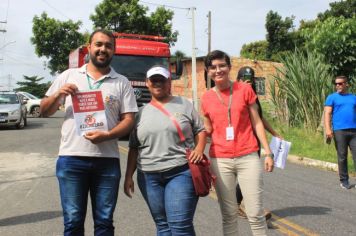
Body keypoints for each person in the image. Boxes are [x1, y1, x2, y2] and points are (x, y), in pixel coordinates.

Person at [40, 29, 138, 235]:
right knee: (73, 221)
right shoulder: (68, 76)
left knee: (104, 222)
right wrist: (58, 93)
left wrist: (108, 135)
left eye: (108, 46)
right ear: (90, 47)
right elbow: (44, 111)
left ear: (114, 50)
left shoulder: (122, 82)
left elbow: (129, 120)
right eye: (99, 44)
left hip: (107, 161)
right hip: (71, 159)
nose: (103, 49)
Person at [124, 65, 206, 236]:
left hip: (180, 172)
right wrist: (128, 177)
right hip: (148, 177)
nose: (158, 83)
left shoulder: (184, 104)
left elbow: (200, 130)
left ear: (169, 82)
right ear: (147, 83)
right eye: (154, 80)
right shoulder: (140, 113)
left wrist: (199, 148)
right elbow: (133, 148)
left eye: (162, 79)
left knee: (179, 225)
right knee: (163, 226)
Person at [201, 50, 274, 236]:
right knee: (229, 214)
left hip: (248, 156)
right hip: (220, 160)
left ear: (229, 67)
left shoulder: (244, 89)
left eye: (222, 66)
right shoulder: (206, 98)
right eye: (213, 67)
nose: (218, 70)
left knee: (255, 213)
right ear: (208, 71)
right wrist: (193, 141)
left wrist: (267, 151)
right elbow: (207, 129)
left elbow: (257, 121)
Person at [235, 66, 282, 220]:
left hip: (254, 142)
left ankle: (241, 206)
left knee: (250, 176)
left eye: (251, 80)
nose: (248, 83)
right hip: (241, 143)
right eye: (245, 79)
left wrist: (274, 133)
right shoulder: (235, 96)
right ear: (239, 80)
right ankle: (246, 207)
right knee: (248, 176)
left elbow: (259, 119)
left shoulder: (253, 96)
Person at [324, 75, 356, 190]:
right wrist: (328, 129)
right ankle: (344, 180)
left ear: (346, 84)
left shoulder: (353, 97)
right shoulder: (332, 97)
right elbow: (327, 113)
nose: (338, 85)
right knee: (342, 156)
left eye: (340, 83)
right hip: (339, 131)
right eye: (336, 83)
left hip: (354, 131)